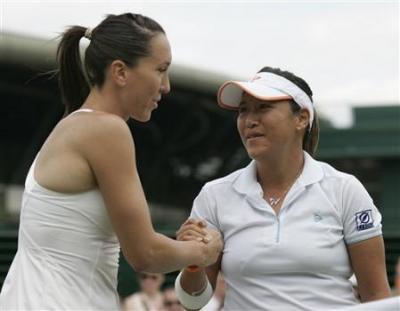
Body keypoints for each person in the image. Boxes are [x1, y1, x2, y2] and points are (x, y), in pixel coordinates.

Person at [0, 13, 222, 310]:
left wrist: (184, 249)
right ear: (119, 72)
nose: (166, 85)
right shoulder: (107, 130)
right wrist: (205, 250)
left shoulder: (77, 125)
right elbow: (146, 255)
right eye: (160, 69)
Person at [174, 67, 391, 310]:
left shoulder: (345, 189)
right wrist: (193, 261)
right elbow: (193, 302)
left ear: (301, 118)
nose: (250, 120)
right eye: (243, 110)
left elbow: (377, 295)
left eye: (263, 107)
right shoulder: (214, 195)